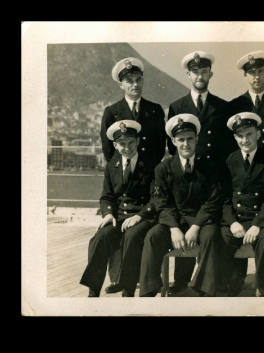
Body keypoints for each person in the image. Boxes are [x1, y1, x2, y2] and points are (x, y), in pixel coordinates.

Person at [164, 51, 236, 295]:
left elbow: (229, 145)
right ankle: (182, 279)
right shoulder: (177, 106)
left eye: (204, 71)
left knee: (210, 229)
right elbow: (171, 145)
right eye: (195, 72)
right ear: (188, 74)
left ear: (210, 74)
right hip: (187, 175)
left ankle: (209, 280)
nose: (200, 75)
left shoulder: (222, 107)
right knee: (186, 217)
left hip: (212, 177)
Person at [99, 57, 167, 294]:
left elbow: (159, 148)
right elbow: (109, 152)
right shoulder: (112, 112)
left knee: (136, 231)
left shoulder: (155, 110)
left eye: (138, 80)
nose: (135, 85)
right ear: (121, 84)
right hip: (124, 183)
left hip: (147, 180)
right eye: (129, 81)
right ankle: (119, 278)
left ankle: (131, 279)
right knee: (114, 231)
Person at [139, 114, 222, 297]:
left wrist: (196, 226)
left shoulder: (209, 166)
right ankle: (149, 289)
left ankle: (204, 288)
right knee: (153, 236)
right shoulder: (163, 168)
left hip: (201, 220)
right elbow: (161, 202)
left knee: (211, 236)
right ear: (173, 142)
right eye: (181, 139)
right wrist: (174, 228)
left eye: (190, 139)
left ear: (197, 139)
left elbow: (213, 201)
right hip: (174, 221)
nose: (186, 144)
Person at [80, 120, 156, 297]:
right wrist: (107, 214)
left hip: (142, 217)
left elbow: (156, 198)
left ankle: (127, 289)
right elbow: (106, 196)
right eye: (122, 144)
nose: (127, 148)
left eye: (131, 143)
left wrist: (140, 216)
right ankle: (93, 291)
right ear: (115, 145)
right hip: (118, 217)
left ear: (138, 141)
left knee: (132, 236)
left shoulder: (151, 165)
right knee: (100, 238)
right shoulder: (112, 166)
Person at [220, 112, 264, 297]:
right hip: (237, 219)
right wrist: (232, 222)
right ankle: (231, 283)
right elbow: (223, 198)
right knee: (220, 238)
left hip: (261, 219)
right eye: (240, 136)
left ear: (258, 134)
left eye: (249, 134)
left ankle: (263, 287)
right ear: (234, 137)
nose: (245, 140)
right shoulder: (230, 161)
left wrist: (257, 224)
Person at [229, 50, 264, 162]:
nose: (257, 77)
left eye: (260, 71)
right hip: (244, 166)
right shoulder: (235, 106)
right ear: (245, 75)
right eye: (252, 72)